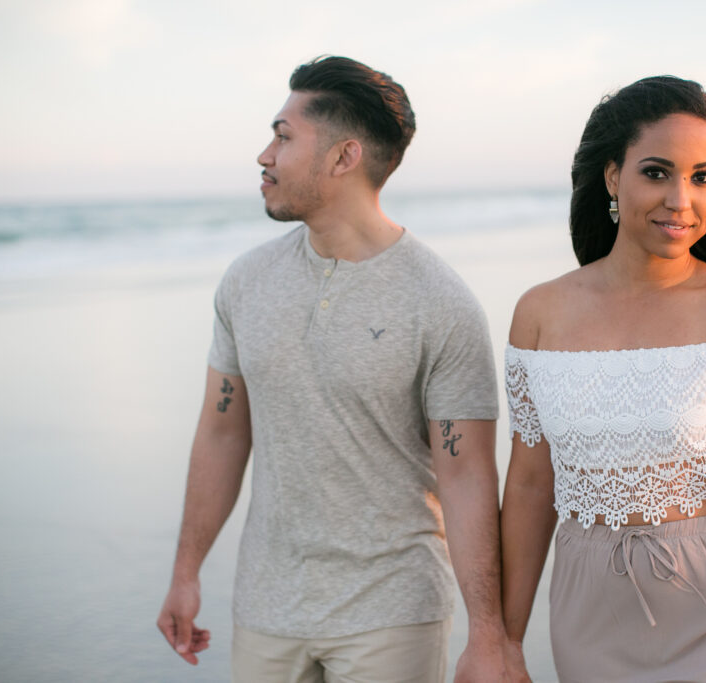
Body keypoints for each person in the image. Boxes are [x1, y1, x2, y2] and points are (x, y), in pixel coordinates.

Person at [157, 55, 516, 682]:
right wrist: (185, 573)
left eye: (284, 136)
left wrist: (490, 635)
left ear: (344, 157)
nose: (264, 155)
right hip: (267, 604)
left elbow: (466, 477)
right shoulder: (246, 283)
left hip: (392, 609)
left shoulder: (440, 302)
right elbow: (222, 432)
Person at [500, 76, 706, 682]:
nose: (681, 201)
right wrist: (504, 642)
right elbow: (532, 487)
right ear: (614, 176)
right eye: (657, 172)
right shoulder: (540, 314)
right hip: (586, 610)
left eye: (703, 177)